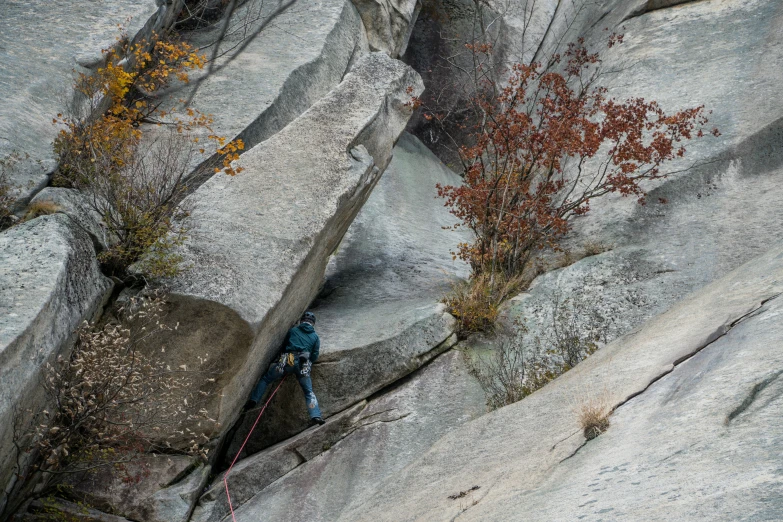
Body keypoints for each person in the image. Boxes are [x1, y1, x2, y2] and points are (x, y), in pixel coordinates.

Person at [244, 311, 325, 425]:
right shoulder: (315, 337)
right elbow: (314, 355)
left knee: (266, 379)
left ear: (302, 321)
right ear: (313, 323)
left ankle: (254, 400)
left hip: (287, 362)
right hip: (303, 366)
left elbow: (284, 346)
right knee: (309, 392)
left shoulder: (293, 330)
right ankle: (315, 415)